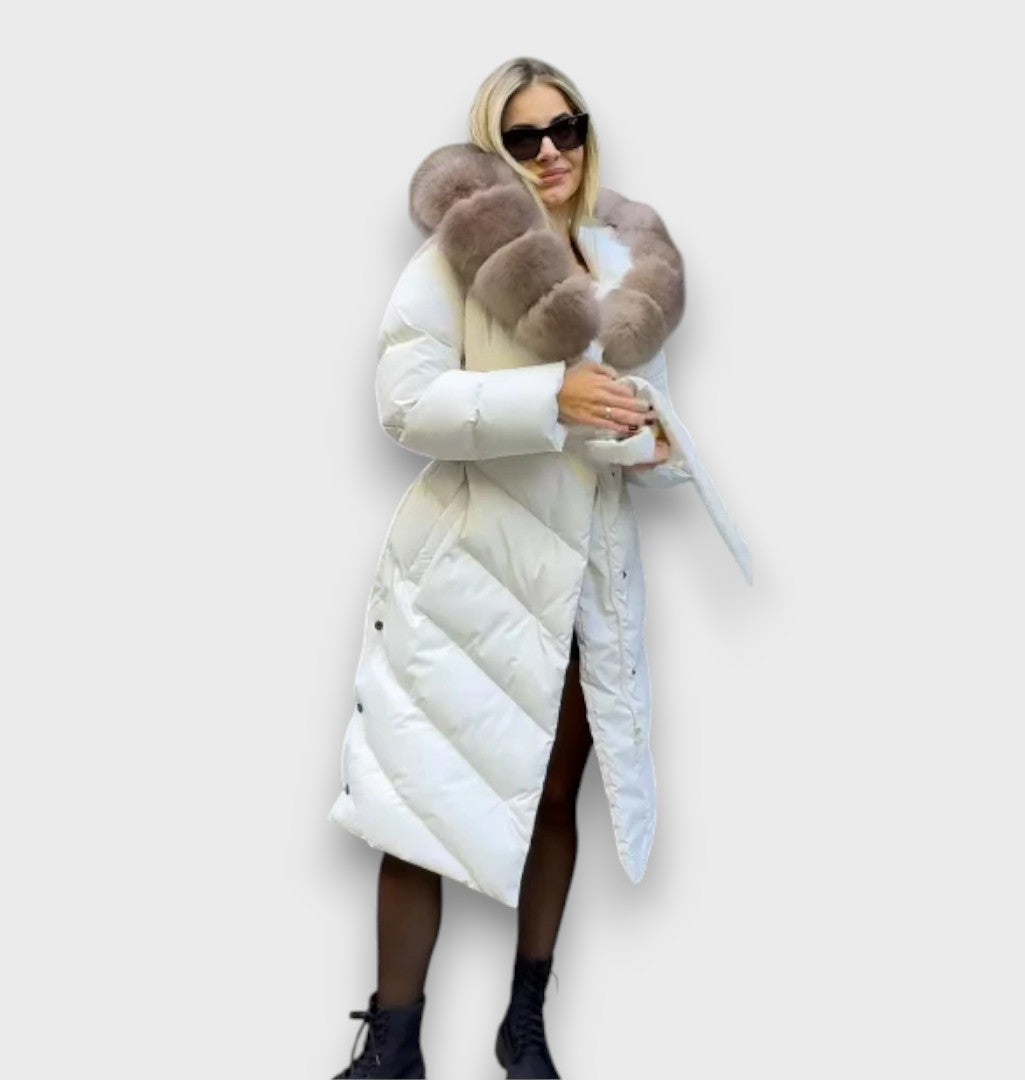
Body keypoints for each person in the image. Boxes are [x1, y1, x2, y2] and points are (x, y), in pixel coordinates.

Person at [328, 56, 751, 1080]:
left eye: (567, 127)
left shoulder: (618, 268)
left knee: (558, 799)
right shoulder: (453, 261)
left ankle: (523, 1027)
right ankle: (393, 1050)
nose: (551, 151)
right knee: (419, 807)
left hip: (582, 583)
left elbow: (630, 432)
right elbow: (403, 404)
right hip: (467, 579)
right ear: (497, 148)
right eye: (524, 137)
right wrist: (547, 401)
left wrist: (651, 447)